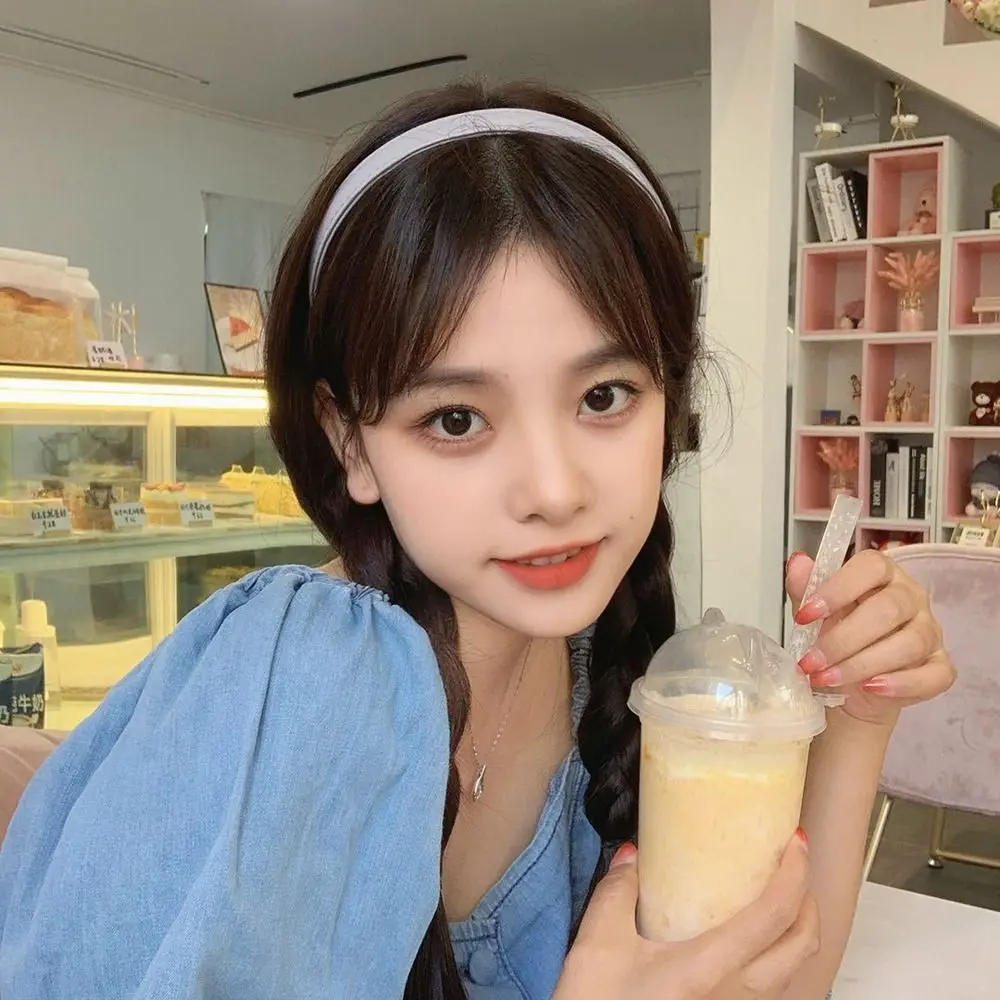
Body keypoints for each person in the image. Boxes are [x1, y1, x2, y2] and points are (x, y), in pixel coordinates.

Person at [0, 82, 954, 1000]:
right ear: (348, 443)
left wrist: (861, 712)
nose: (554, 491)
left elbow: (767, 979)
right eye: (456, 419)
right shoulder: (298, 685)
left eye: (604, 396)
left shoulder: (601, 664)